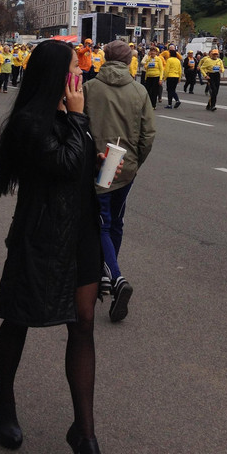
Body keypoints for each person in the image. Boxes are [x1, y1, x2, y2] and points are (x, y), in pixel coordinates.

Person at [0, 39, 114, 454]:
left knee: (82, 325)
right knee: (20, 317)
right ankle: (4, 396)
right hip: (40, 237)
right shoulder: (29, 121)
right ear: (54, 76)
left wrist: (96, 160)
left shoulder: (69, 116)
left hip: (79, 234)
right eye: (72, 69)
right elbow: (60, 164)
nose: (78, 75)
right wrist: (79, 119)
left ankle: (85, 434)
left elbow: (74, 165)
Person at [84, 40, 156, 323]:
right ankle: (112, 273)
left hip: (96, 163)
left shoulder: (90, 88)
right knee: (115, 221)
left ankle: (110, 274)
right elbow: (148, 134)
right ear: (128, 62)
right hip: (125, 167)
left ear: (105, 59)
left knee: (100, 221)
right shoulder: (139, 90)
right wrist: (135, 162)